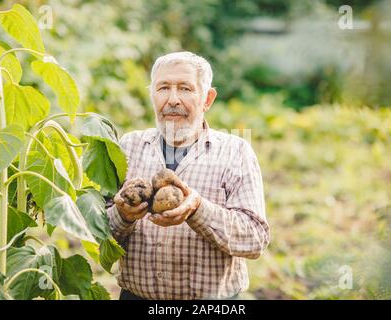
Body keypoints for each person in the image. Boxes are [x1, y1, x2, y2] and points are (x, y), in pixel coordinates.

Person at [107, 51, 270, 300]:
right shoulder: (128, 147)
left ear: (207, 99)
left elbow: (255, 239)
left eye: (185, 89)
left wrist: (198, 210)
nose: (173, 99)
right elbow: (97, 230)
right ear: (152, 94)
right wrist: (122, 216)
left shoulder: (236, 152)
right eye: (163, 88)